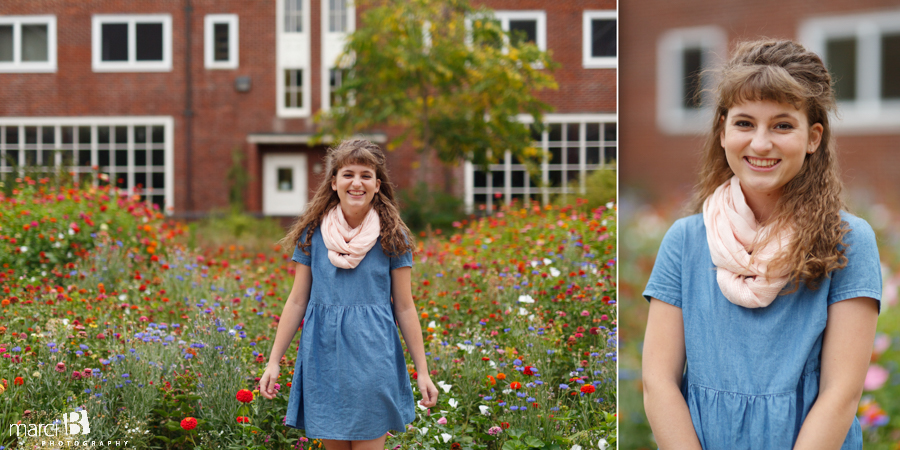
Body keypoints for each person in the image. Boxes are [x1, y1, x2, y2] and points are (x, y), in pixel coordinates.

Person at [641, 39, 881, 450]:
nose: (761, 144)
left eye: (782, 125)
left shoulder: (849, 241)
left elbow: (840, 396)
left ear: (813, 138)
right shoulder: (684, 242)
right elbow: (657, 382)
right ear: (722, 132)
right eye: (744, 123)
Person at [259, 139, 438, 450]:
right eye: (348, 174)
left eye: (366, 175)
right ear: (334, 182)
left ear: (378, 185)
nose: (357, 183)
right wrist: (274, 361)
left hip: (373, 354)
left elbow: (406, 308)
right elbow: (298, 300)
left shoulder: (393, 236)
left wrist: (422, 371)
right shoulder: (312, 234)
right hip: (323, 358)